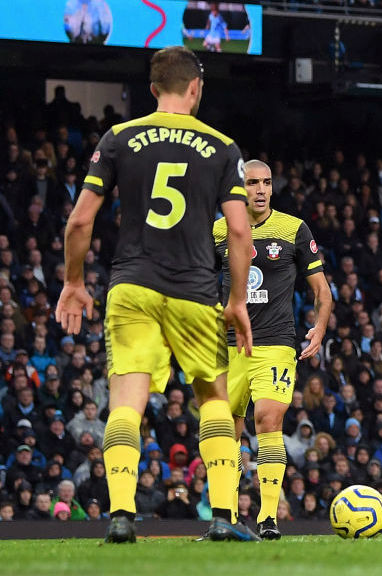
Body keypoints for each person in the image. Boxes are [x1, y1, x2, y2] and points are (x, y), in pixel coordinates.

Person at [56, 46, 254, 543]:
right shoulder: (224, 146)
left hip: (132, 286)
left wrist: (73, 282)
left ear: (152, 89)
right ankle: (225, 518)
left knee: (126, 402)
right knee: (213, 397)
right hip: (193, 290)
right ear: (195, 88)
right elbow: (238, 234)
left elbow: (80, 219)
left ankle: (121, 515)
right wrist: (235, 301)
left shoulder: (120, 137)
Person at [214, 159, 332, 540]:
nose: (261, 190)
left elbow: (322, 291)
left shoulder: (293, 228)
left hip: (276, 343)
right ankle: (226, 518)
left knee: (268, 419)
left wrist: (320, 327)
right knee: (225, 430)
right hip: (227, 346)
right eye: (252, 183)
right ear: (239, 187)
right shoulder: (218, 230)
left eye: (265, 183)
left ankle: (268, 517)